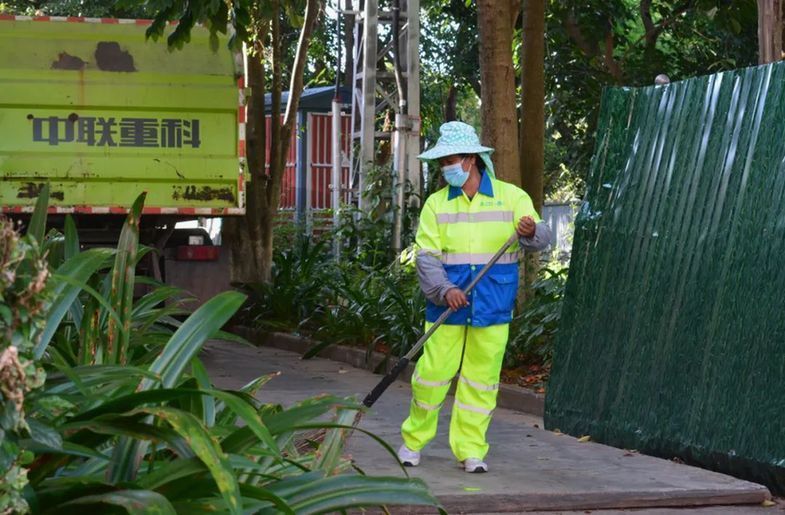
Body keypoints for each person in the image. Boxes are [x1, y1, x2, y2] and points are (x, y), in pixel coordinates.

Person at [398, 121, 552, 473]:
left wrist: (530, 231)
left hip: (493, 304)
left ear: (470, 160)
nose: (444, 168)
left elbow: (542, 237)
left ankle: (471, 450)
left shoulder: (511, 197)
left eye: (448, 160)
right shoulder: (436, 205)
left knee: (481, 382)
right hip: (447, 305)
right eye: (441, 163)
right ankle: (412, 443)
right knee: (431, 375)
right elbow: (426, 255)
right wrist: (444, 289)